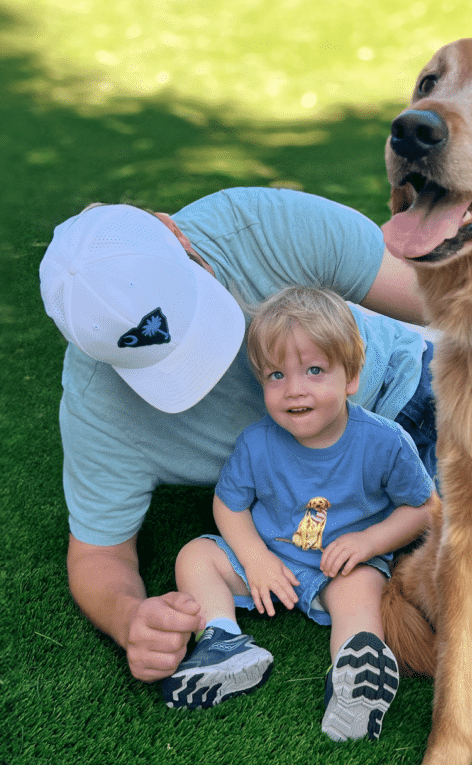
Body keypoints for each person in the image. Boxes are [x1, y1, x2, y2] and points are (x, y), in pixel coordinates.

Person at [38, 190, 437, 685]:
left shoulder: (256, 225)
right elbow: (99, 554)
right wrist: (129, 619)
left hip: (405, 395)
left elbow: (444, 300)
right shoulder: (96, 406)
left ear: (174, 232)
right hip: (307, 517)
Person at [161, 287, 437, 740]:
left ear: (351, 375)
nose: (294, 390)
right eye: (275, 375)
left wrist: (369, 543)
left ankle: (355, 675)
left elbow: (425, 509)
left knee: (362, 591)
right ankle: (223, 642)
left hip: (341, 566)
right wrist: (254, 558)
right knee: (195, 556)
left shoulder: (384, 443)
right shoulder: (256, 442)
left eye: (314, 370)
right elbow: (229, 505)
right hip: (272, 561)